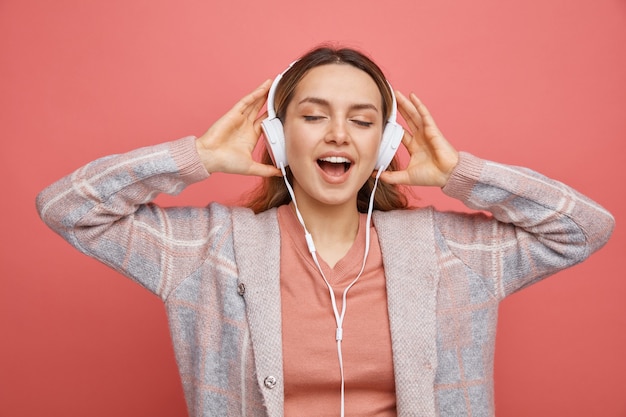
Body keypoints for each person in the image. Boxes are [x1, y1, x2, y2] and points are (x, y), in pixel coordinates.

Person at [36, 46, 614, 417]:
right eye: (313, 116)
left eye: (363, 122)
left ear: (383, 145)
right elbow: (67, 208)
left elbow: (583, 228)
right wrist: (197, 158)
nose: (339, 134)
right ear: (282, 137)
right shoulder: (210, 251)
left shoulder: (447, 253)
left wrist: (460, 177)